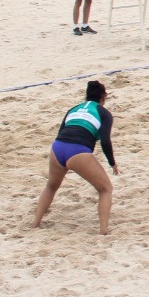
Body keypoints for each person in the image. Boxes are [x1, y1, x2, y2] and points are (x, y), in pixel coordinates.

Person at [33, 81, 118, 235]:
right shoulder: (104, 113)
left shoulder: (73, 109)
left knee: (51, 186)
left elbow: (61, 132)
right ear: (104, 96)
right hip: (78, 150)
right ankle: (104, 230)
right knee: (105, 189)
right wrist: (112, 163)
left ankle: (35, 223)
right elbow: (105, 141)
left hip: (58, 148)